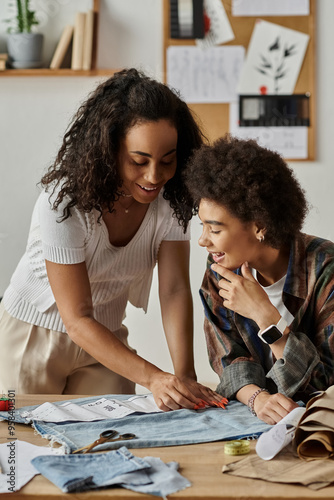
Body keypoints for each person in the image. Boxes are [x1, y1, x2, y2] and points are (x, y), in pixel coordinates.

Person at [0, 68, 221, 411]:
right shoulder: (64, 202)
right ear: (109, 149)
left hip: (106, 340)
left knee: (109, 441)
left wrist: (185, 376)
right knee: (17, 450)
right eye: (139, 161)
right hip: (31, 335)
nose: (154, 176)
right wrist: (154, 378)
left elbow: (174, 289)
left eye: (167, 161)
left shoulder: (171, 200)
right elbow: (76, 319)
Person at [183, 134, 334, 424]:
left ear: (259, 226)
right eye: (202, 226)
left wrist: (265, 317)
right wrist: (257, 398)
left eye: (214, 230)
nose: (203, 240)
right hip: (255, 419)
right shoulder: (220, 269)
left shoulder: (325, 269)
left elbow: (324, 384)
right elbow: (228, 360)